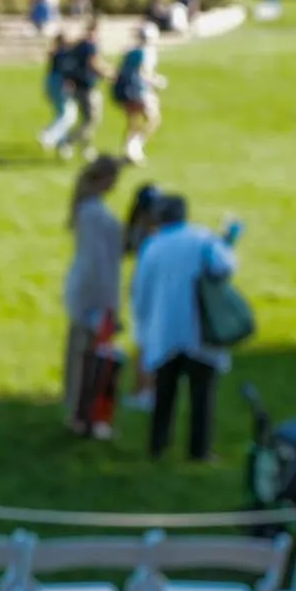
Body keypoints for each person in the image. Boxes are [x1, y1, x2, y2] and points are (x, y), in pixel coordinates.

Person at [131, 195, 238, 462]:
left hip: (165, 330)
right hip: (200, 328)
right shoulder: (201, 239)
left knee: (164, 392)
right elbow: (224, 265)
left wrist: (142, 329)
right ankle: (199, 450)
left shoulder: (153, 247)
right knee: (202, 394)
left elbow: (140, 291)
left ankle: (158, 445)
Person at [61, 156, 125, 438]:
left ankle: (82, 415)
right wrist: (107, 305)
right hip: (92, 298)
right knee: (88, 361)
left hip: (85, 295)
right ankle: (82, 417)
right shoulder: (94, 215)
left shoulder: (88, 210)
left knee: (83, 358)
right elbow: (98, 264)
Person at [122, 182, 163, 411]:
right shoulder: (155, 232)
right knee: (148, 341)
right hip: (152, 288)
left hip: (140, 286)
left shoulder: (134, 229)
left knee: (143, 341)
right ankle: (146, 390)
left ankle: (143, 389)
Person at [57, 19, 112, 162]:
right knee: (91, 120)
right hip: (86, 87)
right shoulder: (89, 45)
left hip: (77, 85)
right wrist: (108, 74)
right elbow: (93, 63)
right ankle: (68, 141)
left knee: (88, 119)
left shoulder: (79, 44)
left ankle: (86, 149)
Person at [114, 22, 168, 165]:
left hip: (124, 91)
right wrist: (157, 82)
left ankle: (128, 151)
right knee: (152, 119)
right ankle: (135, 147)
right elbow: (143, 74)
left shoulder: (131, 51)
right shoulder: (147, 52)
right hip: (138, 91)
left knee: (132, 121)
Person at [37, 33, 77, 152]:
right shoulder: (64, 55)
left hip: (51, 82)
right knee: (68, 116)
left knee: (61, 114)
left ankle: (62, 145)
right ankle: (48, 136)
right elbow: (66, 71)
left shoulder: (55, 54)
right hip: (60, 83)